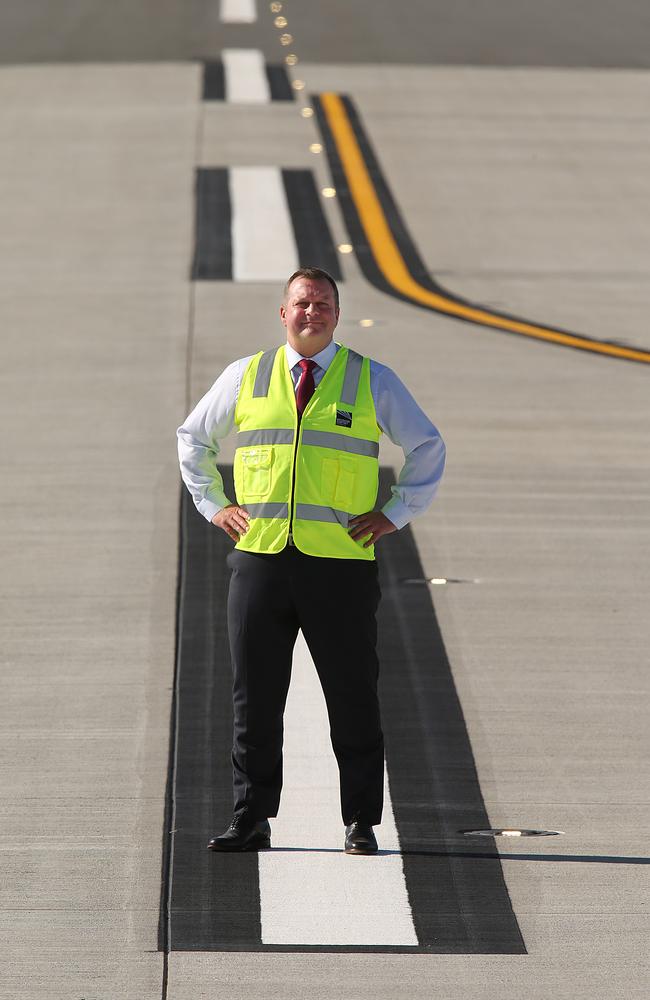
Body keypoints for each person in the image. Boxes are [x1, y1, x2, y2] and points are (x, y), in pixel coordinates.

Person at [176, 266, 445, 855]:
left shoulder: (370, 379)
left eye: (322, 304)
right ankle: (251, 816)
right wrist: (215, 506)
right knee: (255, 696)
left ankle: (360, 821)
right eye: (301, 303)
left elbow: (427, 444)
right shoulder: (246, 376)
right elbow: (192, 439)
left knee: (352, 693)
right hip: (261, 560)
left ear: (337, 315)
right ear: (283, 312)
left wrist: (395, 513)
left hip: (339, 566)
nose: (311, 313)